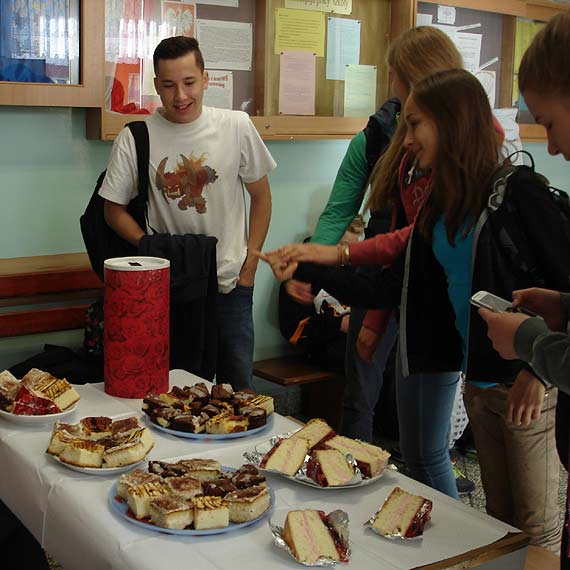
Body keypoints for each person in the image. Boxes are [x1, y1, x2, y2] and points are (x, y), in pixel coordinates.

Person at [263, 69, 567, 549]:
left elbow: (565, 283)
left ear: (450, 124)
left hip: (530, 387)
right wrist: (310, 267)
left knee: (538, 527)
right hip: (482, 386)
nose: (405, 140)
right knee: (503, 526)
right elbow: (389, 283)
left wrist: (538, 371)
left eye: (415, 125)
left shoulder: (517, 192)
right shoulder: (443, 206)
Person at [284, 26, 464, 446]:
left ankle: (411, 474)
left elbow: (418, 238)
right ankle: (354, 471)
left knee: (420, 424)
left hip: (428, 291)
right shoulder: (375, 136)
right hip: (379, 279)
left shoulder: (465, 139)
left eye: (397, 77)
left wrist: (318, 261)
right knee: (360, 392)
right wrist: (310, 264)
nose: (392, 87)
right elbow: (338, 212)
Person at [99, 36, 276, 390]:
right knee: (170, 392)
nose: (180, 96)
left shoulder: (236, 126)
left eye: (189, 82)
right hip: (166, 286)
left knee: (238, 391)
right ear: (156, 86)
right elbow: (112, 209)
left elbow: (262, 197)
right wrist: (149, 246)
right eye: (168, 85)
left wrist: (251, 263)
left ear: (206, 79)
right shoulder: (136, 136)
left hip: (230, 282)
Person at [477, 12, 570, 567]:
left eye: (552, 123)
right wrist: (561, 307)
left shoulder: (526, 192)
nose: (552, 146)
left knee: (538, 525)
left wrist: (532, 345)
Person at [279, 216, 365, 374]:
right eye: (343, 248)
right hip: (322, 347)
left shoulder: (357, 268)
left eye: (352, 250)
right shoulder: (302, 270)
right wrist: (339, 324)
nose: (346, 257)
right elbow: (293, 328)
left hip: (354, 342)